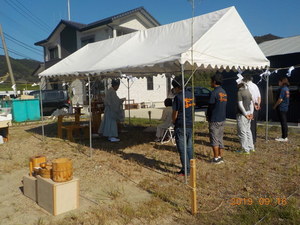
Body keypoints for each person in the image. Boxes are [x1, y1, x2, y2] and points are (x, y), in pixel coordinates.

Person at [172, 77, 193, 176]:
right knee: (189, 147)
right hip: (190, 124)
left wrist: (173, 121)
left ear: (177, 87)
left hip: (180, 125)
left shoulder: (178, 97)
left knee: (182, 149)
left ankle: (186, 170)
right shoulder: (191, 95)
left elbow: (175, 113)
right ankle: (192, 167)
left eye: (174, 88)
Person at [206, 74, 227, 164]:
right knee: (220, 138)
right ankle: (220, 156)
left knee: (214, 139)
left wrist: (208, 116)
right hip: (222, 118)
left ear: (214, 82)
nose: (210, 83)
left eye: (211, 81)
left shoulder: (214, 93)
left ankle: (216, 158)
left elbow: (210, 106)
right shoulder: (224, 92)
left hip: (214, 119)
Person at [236, 81, 255, 154]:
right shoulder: (248, 91)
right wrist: (251, 113)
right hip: (249, 113)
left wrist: (245, 114)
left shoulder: (239, 92)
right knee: (248, 131)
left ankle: (245, 149)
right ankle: (251, 147)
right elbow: (251, 103)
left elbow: (240, 105)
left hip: (242, 115)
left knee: (242, 132)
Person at [243, 74, 261, 145]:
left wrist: (254, 105)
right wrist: (258, 104)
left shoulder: (248, 86)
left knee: (249, 125)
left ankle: (251, 141)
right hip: (256, 107)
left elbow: (251, 97)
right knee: (254, 125)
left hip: (251, 108)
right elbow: (259, 96)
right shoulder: (255, 85)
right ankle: (254, 139)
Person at [273, 77, 290, 142]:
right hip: (285, 107)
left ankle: (284, 137)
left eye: (279, 82)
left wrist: (275, 106)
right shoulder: (287, 89)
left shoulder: (283, 89)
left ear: (282, 82)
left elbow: (280, 99)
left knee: (283, 122)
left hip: (281, 107)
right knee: (284, 122)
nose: (278, 83)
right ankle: (284, 136)